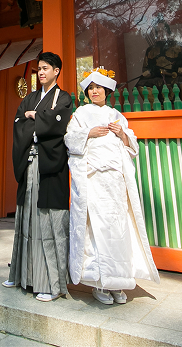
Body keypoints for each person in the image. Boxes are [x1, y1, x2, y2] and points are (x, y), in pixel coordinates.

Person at [65, 69, 159, 305]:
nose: (94, 92)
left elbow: (132, 146)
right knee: (98, 229)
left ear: (107, 90)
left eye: (98, 88)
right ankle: (100, 283)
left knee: (119, 229)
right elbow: (69, 139)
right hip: (94, 179)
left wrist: (123, 135)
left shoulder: (118, 115)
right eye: (90, 89)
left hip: (116, 182)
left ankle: (119, 283)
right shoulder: (81, 114)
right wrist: (88, 133)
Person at [3, 51, 73, 301]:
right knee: (26, 218)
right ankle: (21, 274)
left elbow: (59, 125)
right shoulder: (30, 98)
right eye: (39, 68)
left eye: (46, 68)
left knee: (49, 221)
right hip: (29, 162)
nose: (41, 72)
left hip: (50, 167)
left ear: (56, 71)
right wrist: (40, 118)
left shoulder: (64, 98)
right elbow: (18, 124)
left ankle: (50, 283)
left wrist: (36, 117)